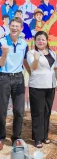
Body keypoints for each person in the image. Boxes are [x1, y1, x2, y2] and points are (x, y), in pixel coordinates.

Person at [0, 17, 30, 150]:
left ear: (21, 28)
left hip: (18, 78)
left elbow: (25, 61)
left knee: (19, 110)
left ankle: (16, 137)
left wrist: (32, 73)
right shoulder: (1, 42)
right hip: (3, 77)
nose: (14, 28)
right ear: (9, 26)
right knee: (1, 110)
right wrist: (5, 54)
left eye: (17, 26)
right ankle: (1, 137)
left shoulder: (24, 44)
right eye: (12, 25)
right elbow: (0, 63)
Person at [27, 31, 57, 148]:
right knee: (38, 112)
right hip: (37, 86)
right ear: (35, 41)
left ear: (47, 41)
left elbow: (56, 68)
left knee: (47, 112)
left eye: (43, 39)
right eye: (38, 39)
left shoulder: (52, 52)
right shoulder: (31, 53)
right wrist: (36, 58)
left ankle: (44, 136)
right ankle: (37, 138)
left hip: (50, 86)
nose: (41, 41)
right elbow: (34, 68)